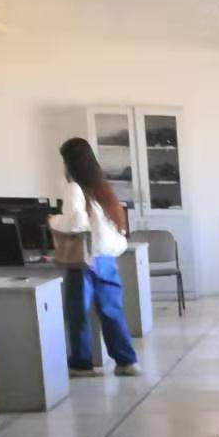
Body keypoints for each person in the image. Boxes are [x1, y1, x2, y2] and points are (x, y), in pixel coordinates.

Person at [53, 138, 140, 378]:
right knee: (112, 311)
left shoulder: (73, 186)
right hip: (106, 258)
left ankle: (81, 364)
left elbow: (75, 221)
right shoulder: (101, 186)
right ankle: (127, 361)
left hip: (84, 258)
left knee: (78, 313)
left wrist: (53, 221)